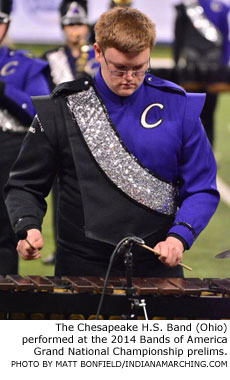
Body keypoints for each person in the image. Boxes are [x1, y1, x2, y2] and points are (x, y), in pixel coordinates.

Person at [5, 6, 219, 278]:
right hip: (80, 270)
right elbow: (24, 185)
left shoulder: (178, 107)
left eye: (139, 68)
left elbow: (202, 187)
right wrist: (28, 227)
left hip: (156, 270)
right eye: (119, 68)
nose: (129, 79)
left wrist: (180, 236)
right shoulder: (62, 108)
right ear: (98, 52)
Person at [41, 0, 99, 265]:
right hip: (62, 135)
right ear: (63, 28)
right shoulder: (50, 58)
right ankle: (61, 247)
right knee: (60, 193)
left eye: (80, 24)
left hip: (97, 135)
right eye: (71, 25)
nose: (76, 30)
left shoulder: (99, 57)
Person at [0, 0, 50, 275]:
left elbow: (37, 109)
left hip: (7, 153)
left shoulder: (24, 64)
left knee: (4, 238)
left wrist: (3, 89)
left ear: (6, 24)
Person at [173, 0, 230, 146]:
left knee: (209, 114)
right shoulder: (186, 7)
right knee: (191, 115)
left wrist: (223, 65)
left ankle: (209, 152)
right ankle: (190, 154)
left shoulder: (221, 8)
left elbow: (225, 37)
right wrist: (177, 64)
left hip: (213, 69)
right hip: (191, 69)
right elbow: (179, 38)